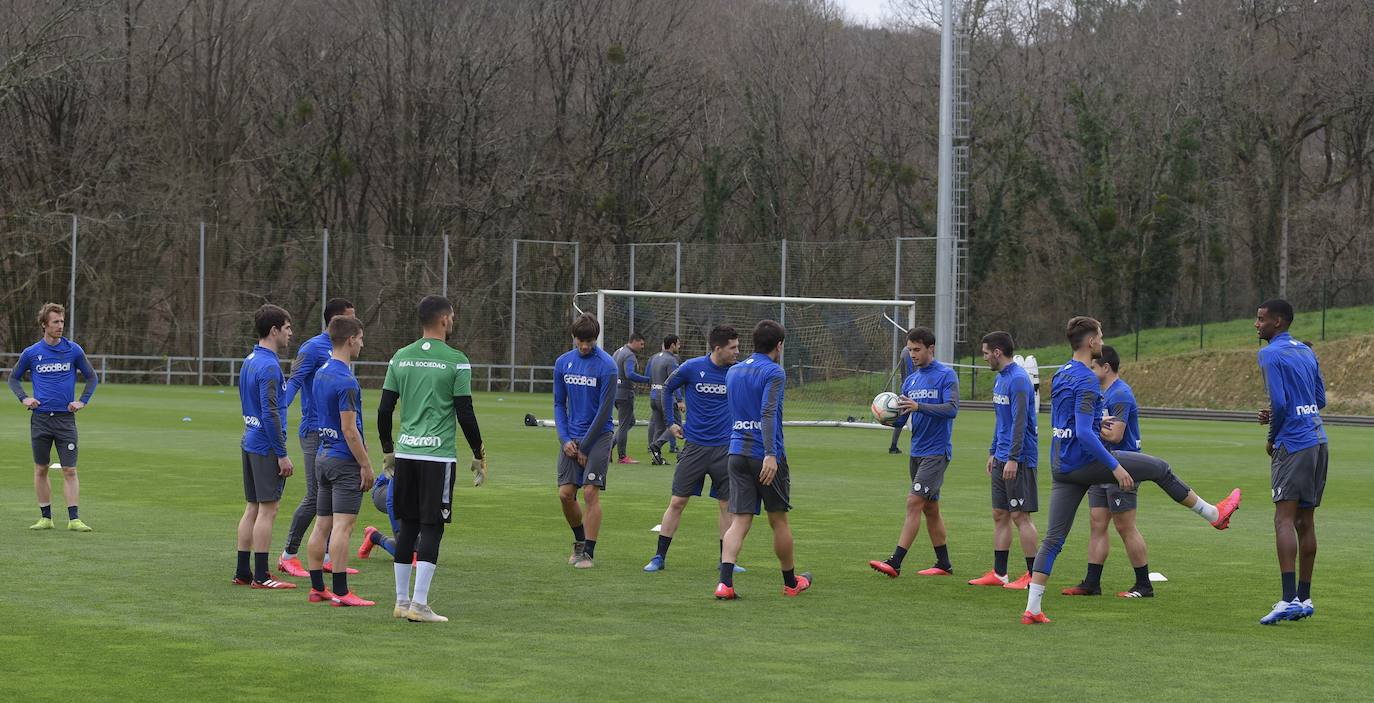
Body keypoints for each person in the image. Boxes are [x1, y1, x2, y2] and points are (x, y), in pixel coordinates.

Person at [1020, 316, 1241, 624]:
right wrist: (1115, 467)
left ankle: (1033, 608)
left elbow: (1066, 422)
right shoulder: (1087, 379)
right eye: (1100, 336)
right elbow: (1083, 433)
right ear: (1091, 342)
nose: (1102, 340)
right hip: (1085, 462)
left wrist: (1096, 422)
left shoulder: (1060, 374)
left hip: (1061, 465)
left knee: (1054, 539)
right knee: (1160, 469)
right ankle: (1214, 515)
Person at [377, 295, 486, 623]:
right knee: (432, 527)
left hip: (406, 454)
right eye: (451, 317)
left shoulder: (400, 357)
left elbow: (384, 409)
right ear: (443, 319)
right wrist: (478, 453)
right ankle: (419, 605)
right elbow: (465, 413)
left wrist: (388, 449)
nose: (453, 322)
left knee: (408, 527)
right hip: (437, 458)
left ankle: (401, 602)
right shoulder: (457, 361)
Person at [716, 320, 811, 600]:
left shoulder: (733, 371)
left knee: (739, 520)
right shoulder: (774, 372)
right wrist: (770, 454)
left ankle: (724, 584)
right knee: (778, 520)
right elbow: (767, 413)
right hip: (764, 455)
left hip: (736, 452)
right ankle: (791, 583)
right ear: (779, 345)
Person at [642, 325, 748, 573]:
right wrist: (671, 423)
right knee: (677, 501)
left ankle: (726, 561)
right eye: (733, 347)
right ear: (718, 348)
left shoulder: (738, 371)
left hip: (725, 449)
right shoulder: (692, 367)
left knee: (726, 505)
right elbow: (667, 388)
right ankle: (658, 557)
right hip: (695, 447)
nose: (737, 352)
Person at [1254, 299, 1327, 625]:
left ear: (1278, 322)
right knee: (1305, 521)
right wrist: (1279, 413)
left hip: (1293, 444)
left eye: (1261, 319)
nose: (1256, 324)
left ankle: (1287, 600)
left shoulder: (1269, 354)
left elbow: (1282, 403)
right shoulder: (1306, 351)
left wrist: (1272, 436)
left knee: (1283, 519)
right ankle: (1304, 598)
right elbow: (1319, 399)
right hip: (1318, 440)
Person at [868, 327, 960, 578]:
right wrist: (886, 416)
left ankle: (895, 562)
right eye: (910, 350)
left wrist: (920, 406)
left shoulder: (946, 375)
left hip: (936, 452)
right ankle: (944, 564)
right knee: (931, 509)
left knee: (913, 502)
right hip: (917, 451)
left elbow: (952, 409)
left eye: (917, 349)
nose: (913, 354)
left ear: (931, 348)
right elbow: (902, 417)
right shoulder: (910, 381)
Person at [1063, 345, 1153, 598]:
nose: (1089, 371)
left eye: (1093, 367)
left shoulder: (1120, 394)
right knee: (1097, 523)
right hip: (1101, 465)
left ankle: (1144, 585)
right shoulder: (1101, 393)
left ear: (1106, 367)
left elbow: (1116, 435)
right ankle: (1092, 583)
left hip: (1123, 466)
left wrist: (1088, 428)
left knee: (1125, 526)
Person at [278, 297, 356, 579]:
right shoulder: (312, 348)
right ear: (336, 320)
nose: (356, 323)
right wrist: (278, 413)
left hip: (335, 433)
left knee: (334, 498)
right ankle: (288, 555)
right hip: (314, 431)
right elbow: (294, 382)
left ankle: (327, 556)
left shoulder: (342, 348)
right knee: (315, 496)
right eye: (351, 317)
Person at [304, 316, 375, 606]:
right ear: (350, 339)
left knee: (322, 525)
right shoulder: (346, 380)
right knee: (343, 527)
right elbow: (349, 429)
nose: (362, 344)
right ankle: (342, 593)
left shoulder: (321, 372)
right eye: (360, 338)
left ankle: (317, 588)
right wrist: (365, 464)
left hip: (323, 456)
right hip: (344, 461)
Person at [10, 303, 99, 532]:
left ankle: (74, 519)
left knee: (70, 469)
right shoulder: (31, 353)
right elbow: (13, 378)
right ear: (44, 325)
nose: (60, 326)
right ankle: (46, 518)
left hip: (65, 420)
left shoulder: (73, 350)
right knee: (41, 468)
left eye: (62, 321)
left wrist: (82, 401)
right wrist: (24, 398)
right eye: (55, 322)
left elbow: (92, 377)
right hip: (40, 419)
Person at [967, 331, 1040, 590]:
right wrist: (993, 452)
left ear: (997, 352)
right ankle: (1000, 574)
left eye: (986, 353)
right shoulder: (1000, 379)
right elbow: (1002, 421)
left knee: (1020, 515)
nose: (984, 357)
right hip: (1001, 456)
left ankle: (1033, 576)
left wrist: (1013, 458)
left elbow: (1020, 423)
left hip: (1018, 458)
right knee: (1000, 514)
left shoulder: (1019, 380)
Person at [233, 304, 297, 589]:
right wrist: (282, 454)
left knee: (252, 507)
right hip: (265, 445)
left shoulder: (249, 360)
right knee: (268, 509)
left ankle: (242, 572)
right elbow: (270, 413)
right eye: (287, 328)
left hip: (249, 439)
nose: (290, 333)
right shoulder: (270, 366)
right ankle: (261, 575)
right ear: (274, 330)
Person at [553, 314, 618, 569]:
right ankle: (579, 541)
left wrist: (586, 446)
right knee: (565, 494)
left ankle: (588, 553)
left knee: (590, 492)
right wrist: (564, 439)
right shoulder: (563, 363)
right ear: (573, 337)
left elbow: (604, 411)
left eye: (589, 341)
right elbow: (559, 404)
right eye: (580, 341)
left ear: (596, 339)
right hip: (572, 436)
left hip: (599, 436)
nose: (584, 346)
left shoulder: (607, 366)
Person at [612, 333, 650, 464]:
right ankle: (622, 457)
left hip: (615, 393)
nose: (642, 347)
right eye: (641, 344)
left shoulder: (618, 351)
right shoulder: (629, 355)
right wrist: (648, 380)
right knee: (624, 425)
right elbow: (629, 374)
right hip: (625, 394)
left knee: (630, 421)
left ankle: (609, 448)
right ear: (634, 341)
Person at [646, 334, 683, 465]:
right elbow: (674, 382)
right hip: (666, 399)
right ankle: (656, 445)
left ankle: (656, 457)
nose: (679, 347)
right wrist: (680, 400)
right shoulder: (671, 360)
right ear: (672, 345)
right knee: (677, 425)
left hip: (653, 396)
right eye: (678, 344)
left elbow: (649, 377)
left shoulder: (655, 357)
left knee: (660, 428)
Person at [888, 342, 916, 454]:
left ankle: (893, 446)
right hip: (911, 387)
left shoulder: (906, 350)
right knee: (914, 416)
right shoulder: (908, 351)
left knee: (903, 416)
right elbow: (910, 372)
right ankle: (894, 446)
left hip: (906, 386)